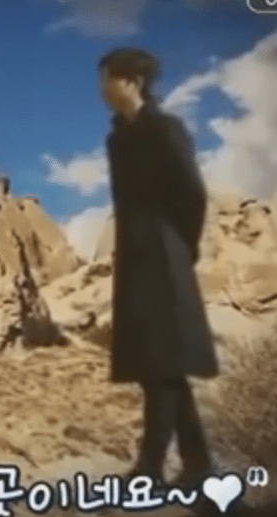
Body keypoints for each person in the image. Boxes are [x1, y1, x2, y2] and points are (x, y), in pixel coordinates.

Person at [98, 48, 219, 488]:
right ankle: (198, 465)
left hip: (166, 255)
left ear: (132, 81)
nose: (103, 89)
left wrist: (180, 246)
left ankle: (150, 466)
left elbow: (193, 192)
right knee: (159, 365)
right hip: (136, 261)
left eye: (108, 79)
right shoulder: (117, 139)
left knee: (161, 366)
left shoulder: (167, 129)